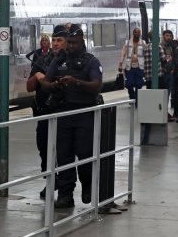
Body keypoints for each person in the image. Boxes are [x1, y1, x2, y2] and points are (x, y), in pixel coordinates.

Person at [40, 24, 103, 208]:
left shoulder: (91, 61)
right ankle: (66, 194)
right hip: (63, 113)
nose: (71, 46)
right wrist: (54, 86)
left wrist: (76, 82)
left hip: (84, 113)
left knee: (85, 153)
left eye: (75, 42)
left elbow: (97, 85)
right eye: (69, 42)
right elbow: (45, 82)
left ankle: (87, 184)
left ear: (82, 41)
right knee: (63, 155)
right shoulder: (59, 60)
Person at [26, 28, 67, 199]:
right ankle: (51, 180)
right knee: (44, 148)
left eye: (59, 40)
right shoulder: (42, 60)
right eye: (54, 40)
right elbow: (29, 88)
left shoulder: (70, 61)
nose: (55, 44)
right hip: (44, 113)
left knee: (63, 151)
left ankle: (65, 188)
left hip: (64, 113)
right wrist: (36, 76)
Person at [118, 28, 149, 103]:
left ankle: (136, 100)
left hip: (139, 66)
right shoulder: (127, 43)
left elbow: (147, 53)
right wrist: (120, 64)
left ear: (140, 34)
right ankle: (132, 97)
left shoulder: (143, 43)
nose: (137, 34)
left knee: (139, 84)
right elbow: (123, 53)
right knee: (129, 84)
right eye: (135, 32)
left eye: (138, 32)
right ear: (133, 33)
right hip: (129, 67)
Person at [160, 30, 178, 119]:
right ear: (163, 36)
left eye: (170, 36)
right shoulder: (160, 46)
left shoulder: (170, 47)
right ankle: (163, 112)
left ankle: (165, 112)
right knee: (164, 93)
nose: (169, 37)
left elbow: (172, 58)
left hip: (170, 72)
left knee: (168, 92)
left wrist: (173, 68)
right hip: (163, 72)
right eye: (167, 35)